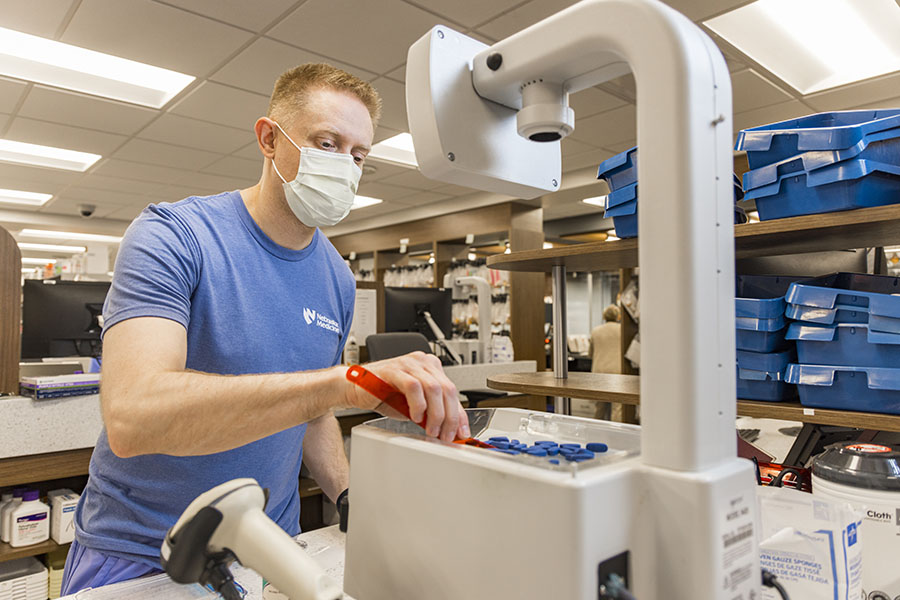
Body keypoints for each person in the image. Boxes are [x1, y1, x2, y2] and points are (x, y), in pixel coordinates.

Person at [61, 63, 470, 595]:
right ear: (269, 139)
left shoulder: (336, 278)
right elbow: (133, 416)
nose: (345, 165)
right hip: (146, 554)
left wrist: (347, 495)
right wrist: (347, 381)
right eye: (327, 142)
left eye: (358, 155)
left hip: (272, 549)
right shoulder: (174, 236)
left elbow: (312, 411)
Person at [590, 304, 622, 375]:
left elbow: (590, 353)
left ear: (604, 317)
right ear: (618, 316)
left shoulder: (595, 331)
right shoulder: (622, 330)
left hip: (598, 370)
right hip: (617, 370)